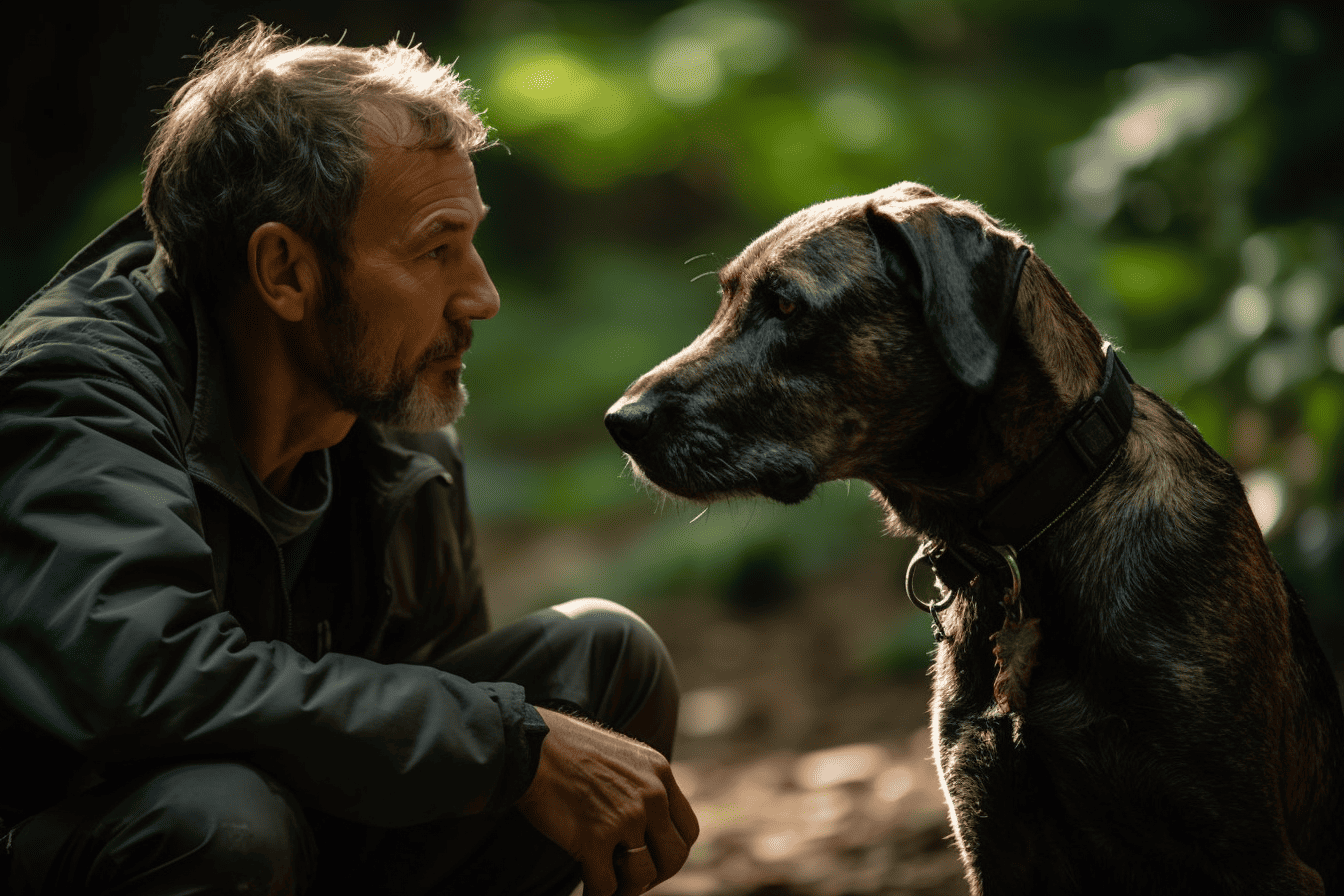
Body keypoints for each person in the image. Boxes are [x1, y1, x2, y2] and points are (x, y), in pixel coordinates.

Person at [0, 21, 697, 896]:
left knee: (599, 667)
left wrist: (509, 742)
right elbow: (143, 681)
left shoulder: (386, 410)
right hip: (74, 836)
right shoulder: (72, 387)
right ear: (286, 271)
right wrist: (506, 743)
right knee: (220, 820)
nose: (481, 296)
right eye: (436, 250)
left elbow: (424, 720)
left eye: (472, 242)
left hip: (283, 825)